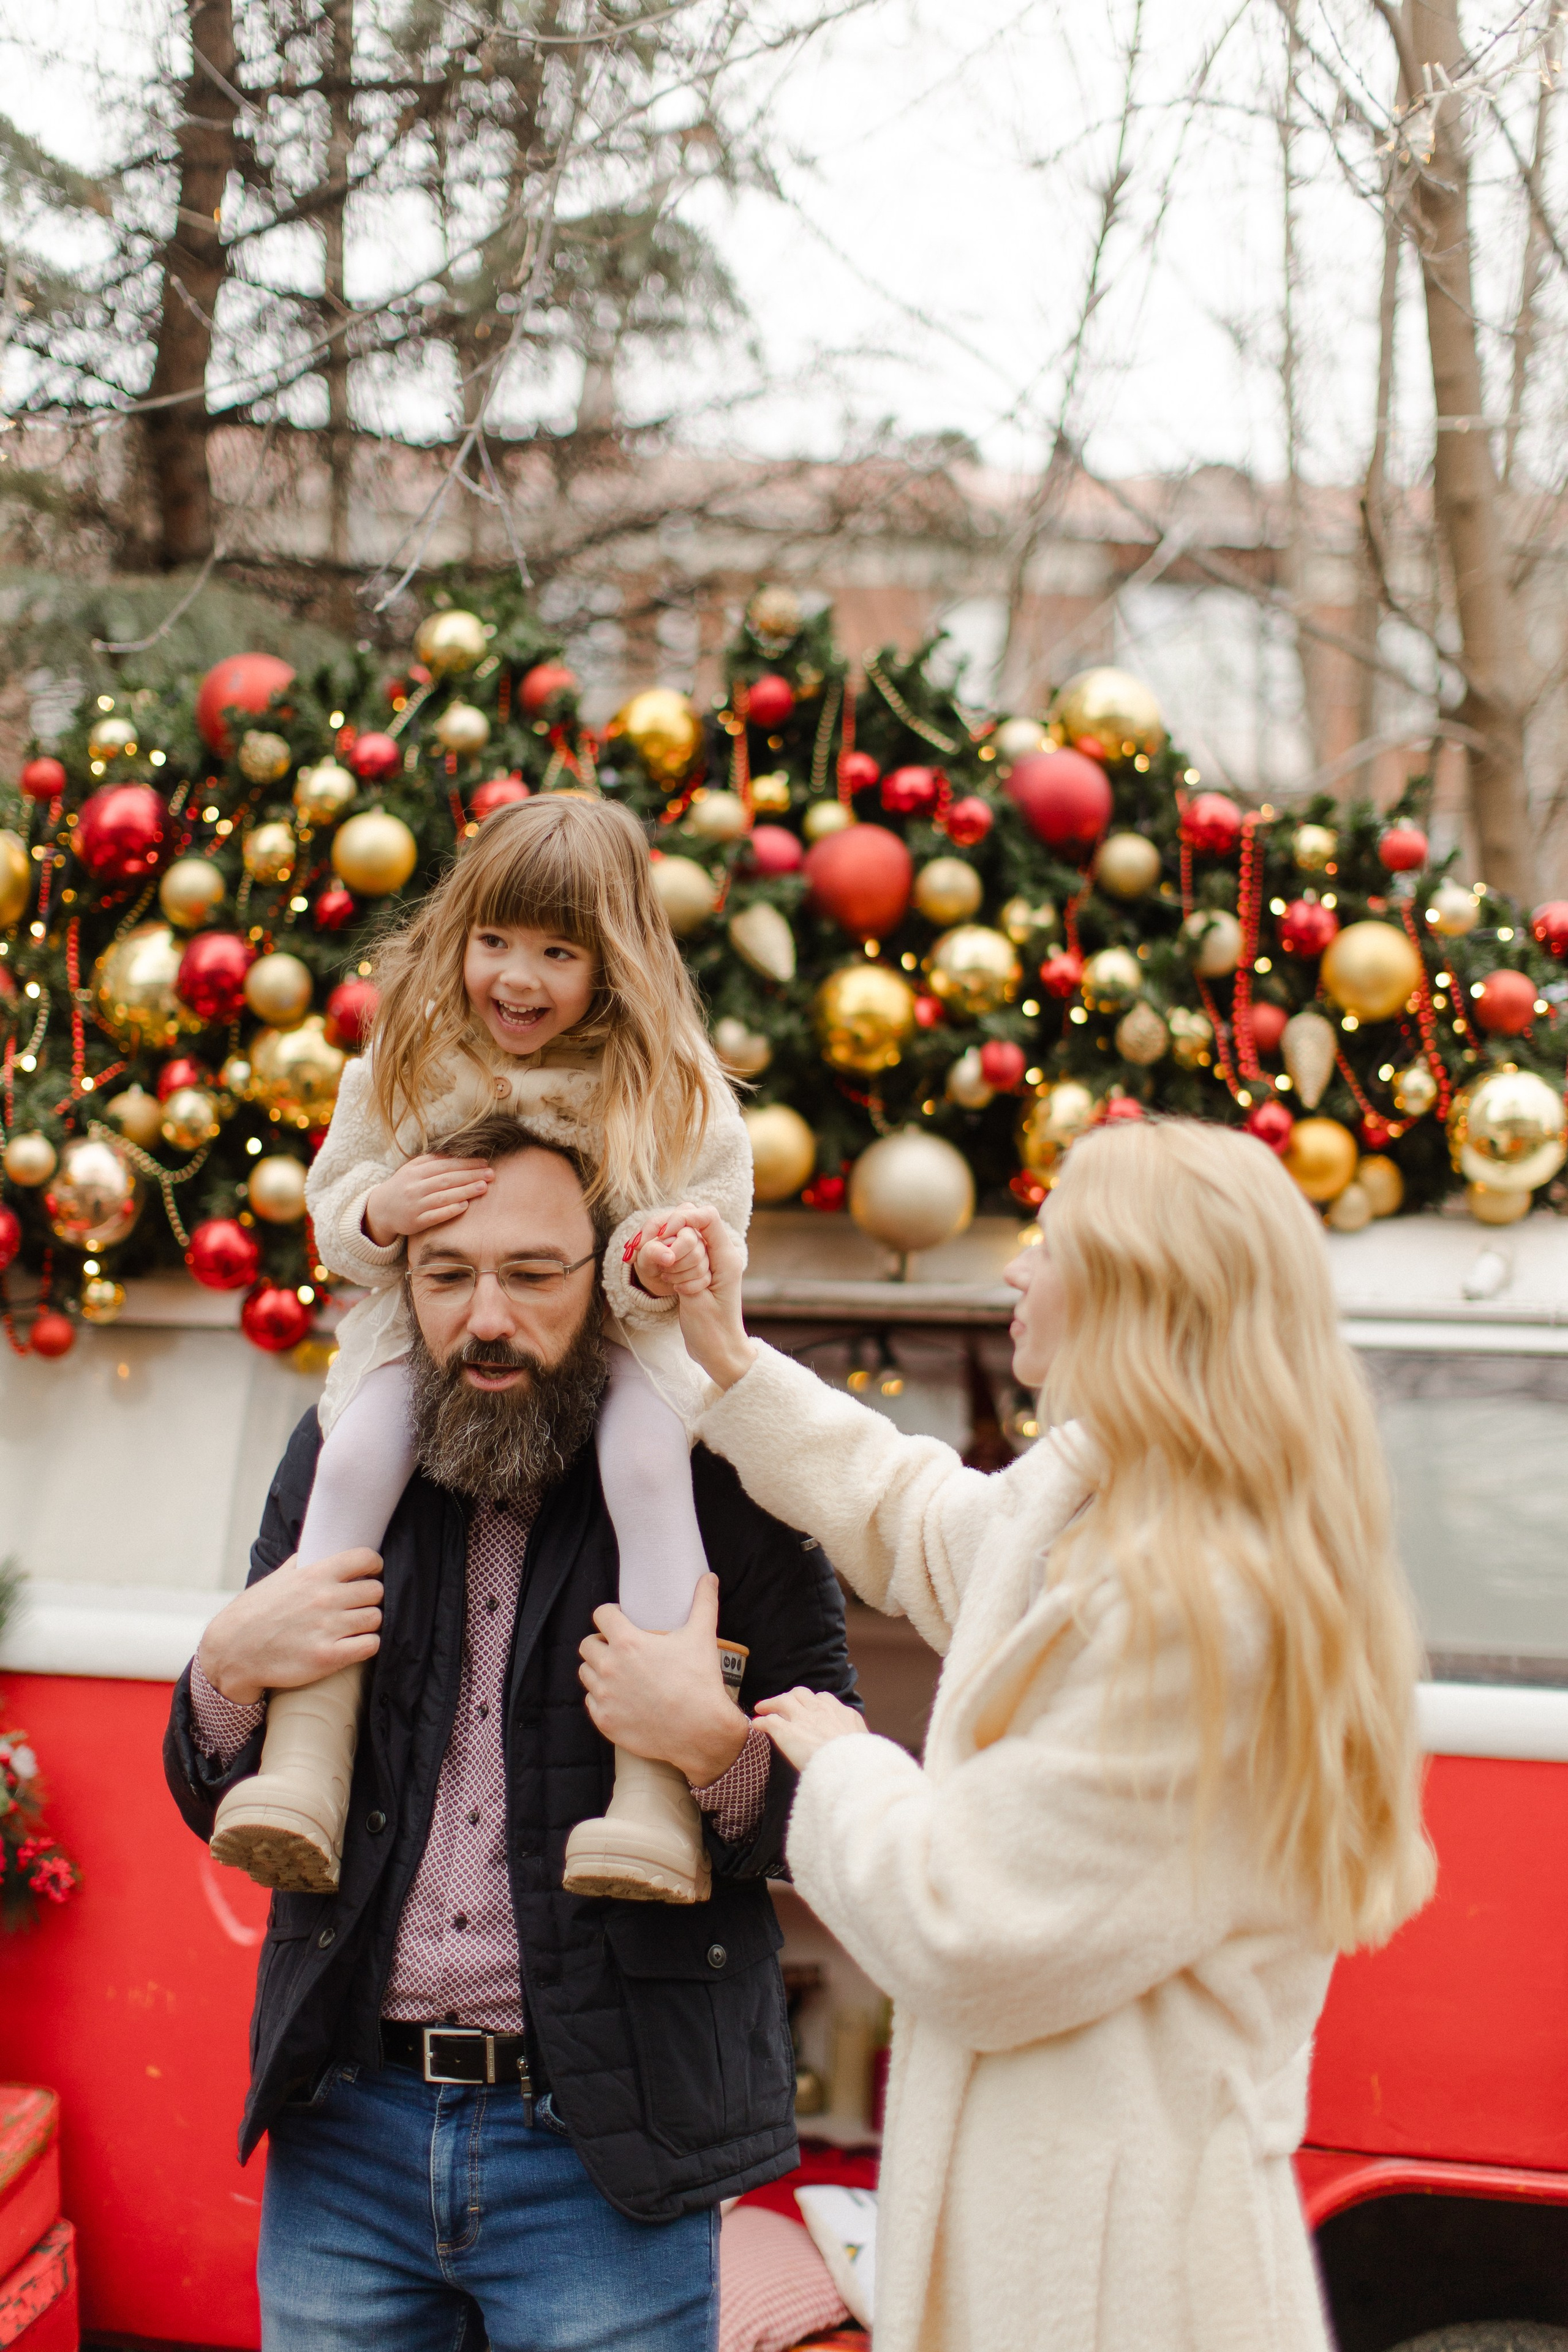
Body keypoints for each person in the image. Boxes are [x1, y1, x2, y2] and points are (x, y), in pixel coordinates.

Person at [650, 1118, 1436, 2352]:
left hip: (1124, 2283)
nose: (1014, 1271)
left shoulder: (1201, 1612)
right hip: (1071, 2247)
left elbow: (967, 1926)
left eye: (1048, 1245)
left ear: (1134, 1292)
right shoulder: (1102, 1500)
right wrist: (726, 1357)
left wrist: (835, 1763)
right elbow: (911, 1517)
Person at [164, 1117, 857, 2351]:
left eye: (533, 1274)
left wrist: (712, 1750)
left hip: (606, 2151)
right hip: (346, 2132)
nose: (487, 1318)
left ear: (606, 1278)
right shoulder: (340, 1455)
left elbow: (833, 1812)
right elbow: (217, 1791)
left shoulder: (721, 1479)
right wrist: (225, 1670)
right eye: (448, 1276)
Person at [210, 794, 753, 1905]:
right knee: (355, 1457)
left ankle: (652, 1794)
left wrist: (651, 1257)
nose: (518, 977)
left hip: (626, 1335)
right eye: (495, 941)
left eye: (558, 952)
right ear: (458, 935)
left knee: (649, 1466)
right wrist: (383, 1211)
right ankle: (305, 1758)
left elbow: (708, 1211)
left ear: (614, 963)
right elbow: (339, 1209)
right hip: (417, 1337)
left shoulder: (667, 1080)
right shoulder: (407, 1060)